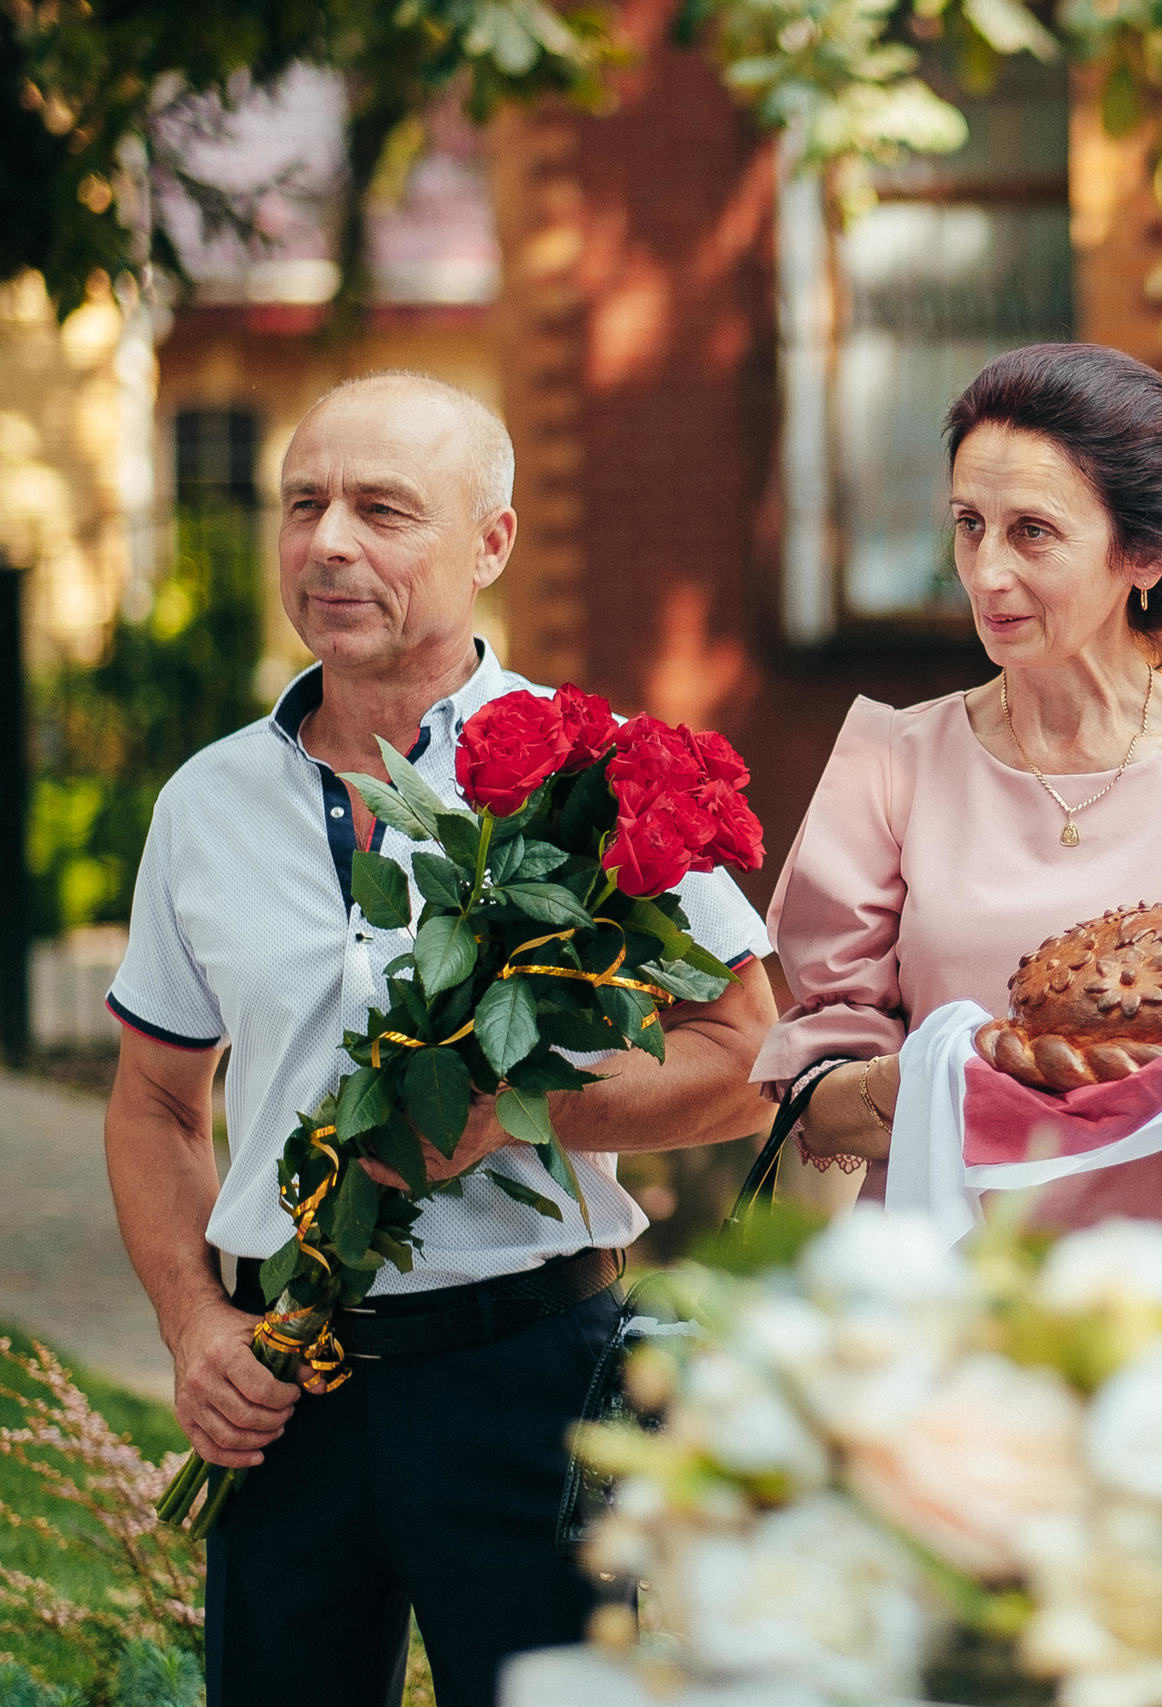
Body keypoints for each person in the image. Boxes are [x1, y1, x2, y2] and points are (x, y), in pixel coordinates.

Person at [101, 372, 779, 1707]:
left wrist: (520, 1112)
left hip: (525, 1371)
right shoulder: (204, 803)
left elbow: (746, 1059)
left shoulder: (601, 778)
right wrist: (193, 1327)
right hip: (282, 1377)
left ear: (491, 542)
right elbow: (153, 1100)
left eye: (380, 508)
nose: (328, 541)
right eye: (304, 504)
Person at [756, 342, 1162, 1238]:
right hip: (933, 1316)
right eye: (969, 523)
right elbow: (814, 1102)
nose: (984, 573)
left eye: (1032, 532)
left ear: (1145, 552)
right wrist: (945, 1074)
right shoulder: (890, 761)